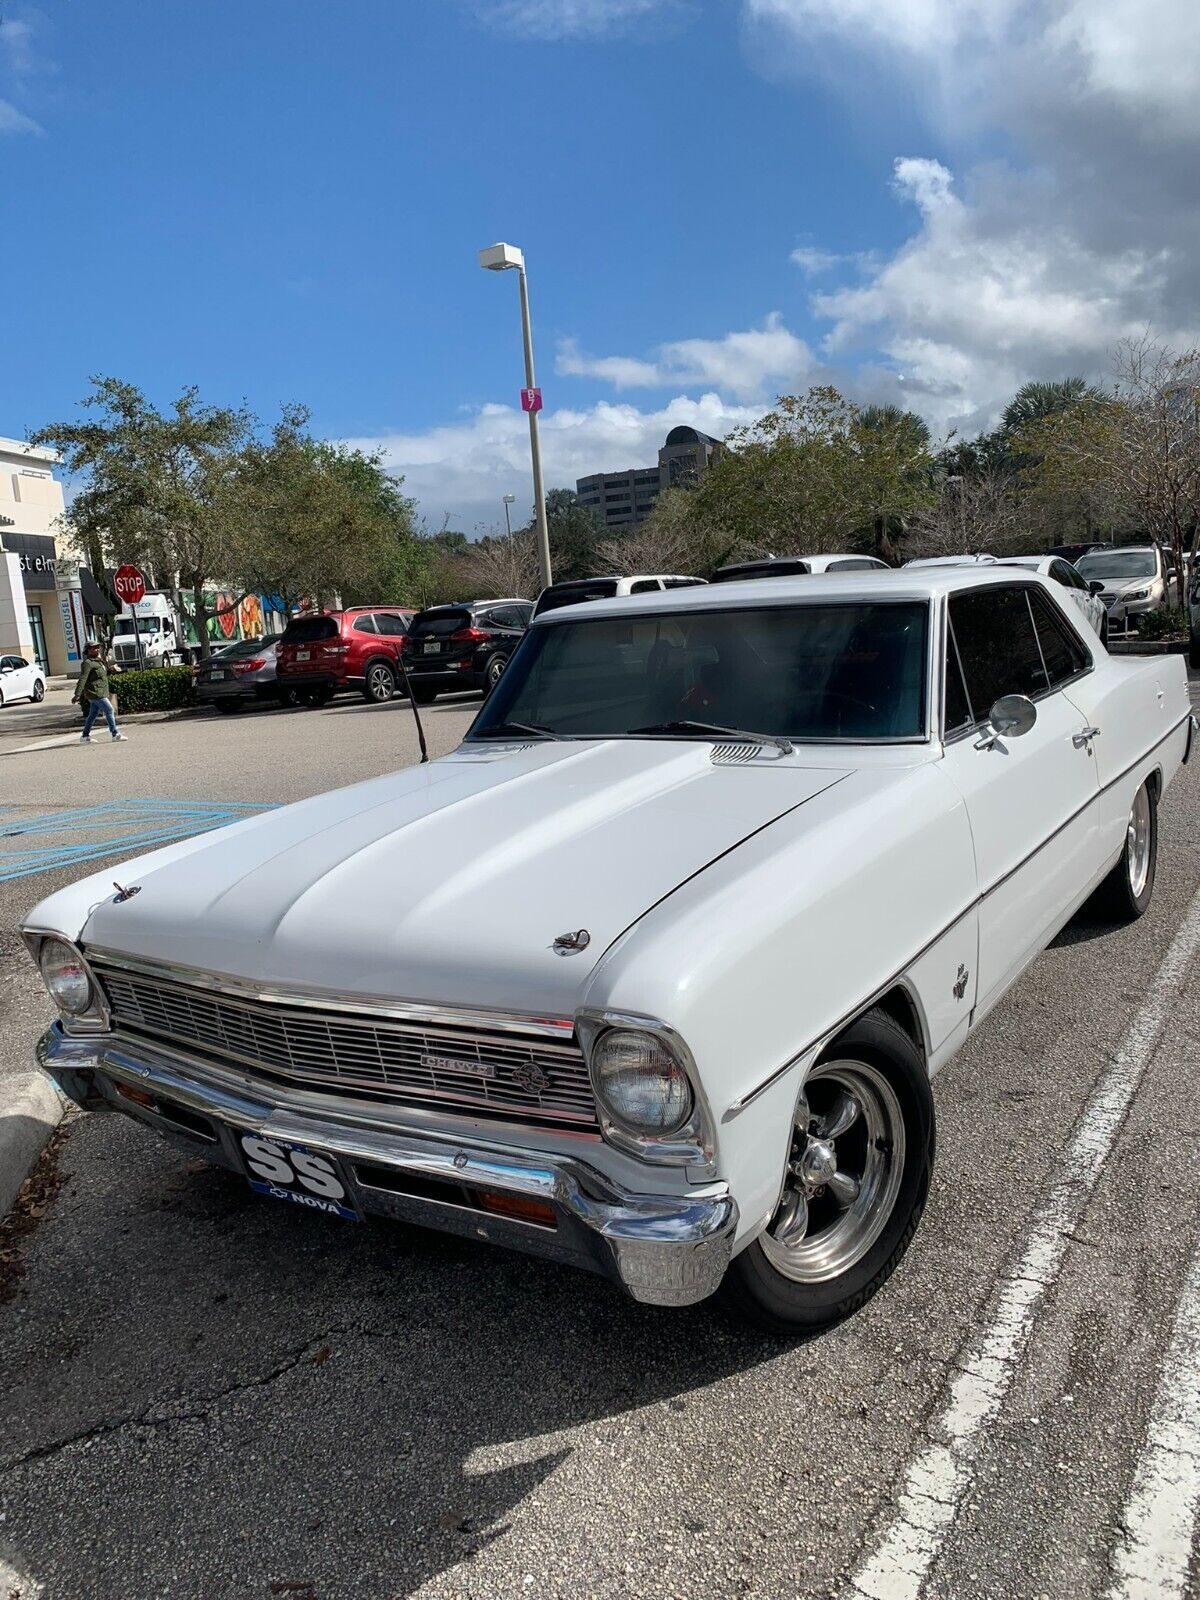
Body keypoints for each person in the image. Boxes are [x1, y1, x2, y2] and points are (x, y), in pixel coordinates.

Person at [74, 642, 127, 743]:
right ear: (88, 650)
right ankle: (115, 734)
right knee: (109, 710)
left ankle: (85, 736)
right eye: (94, 648)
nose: (97, 650)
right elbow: (83, 678)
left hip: (101, 691)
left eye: (97, 648)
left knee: (93, 714)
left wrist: (111, 670)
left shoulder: (98, 661)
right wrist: (77, 694)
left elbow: (102, 674)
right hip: (95, 693)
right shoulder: (87, 663)